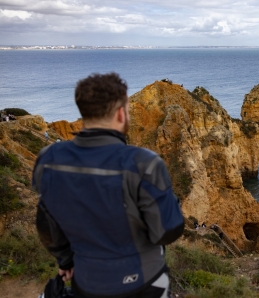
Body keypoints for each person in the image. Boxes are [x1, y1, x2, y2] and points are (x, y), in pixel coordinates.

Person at [33, 73, 185, 298]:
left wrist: (65, 259)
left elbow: (46, 222)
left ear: (84, 111)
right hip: (144, 282)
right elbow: (168, 230)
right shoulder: (144, 163)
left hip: (86, 282)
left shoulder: (49, 160)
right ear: (122, 113)